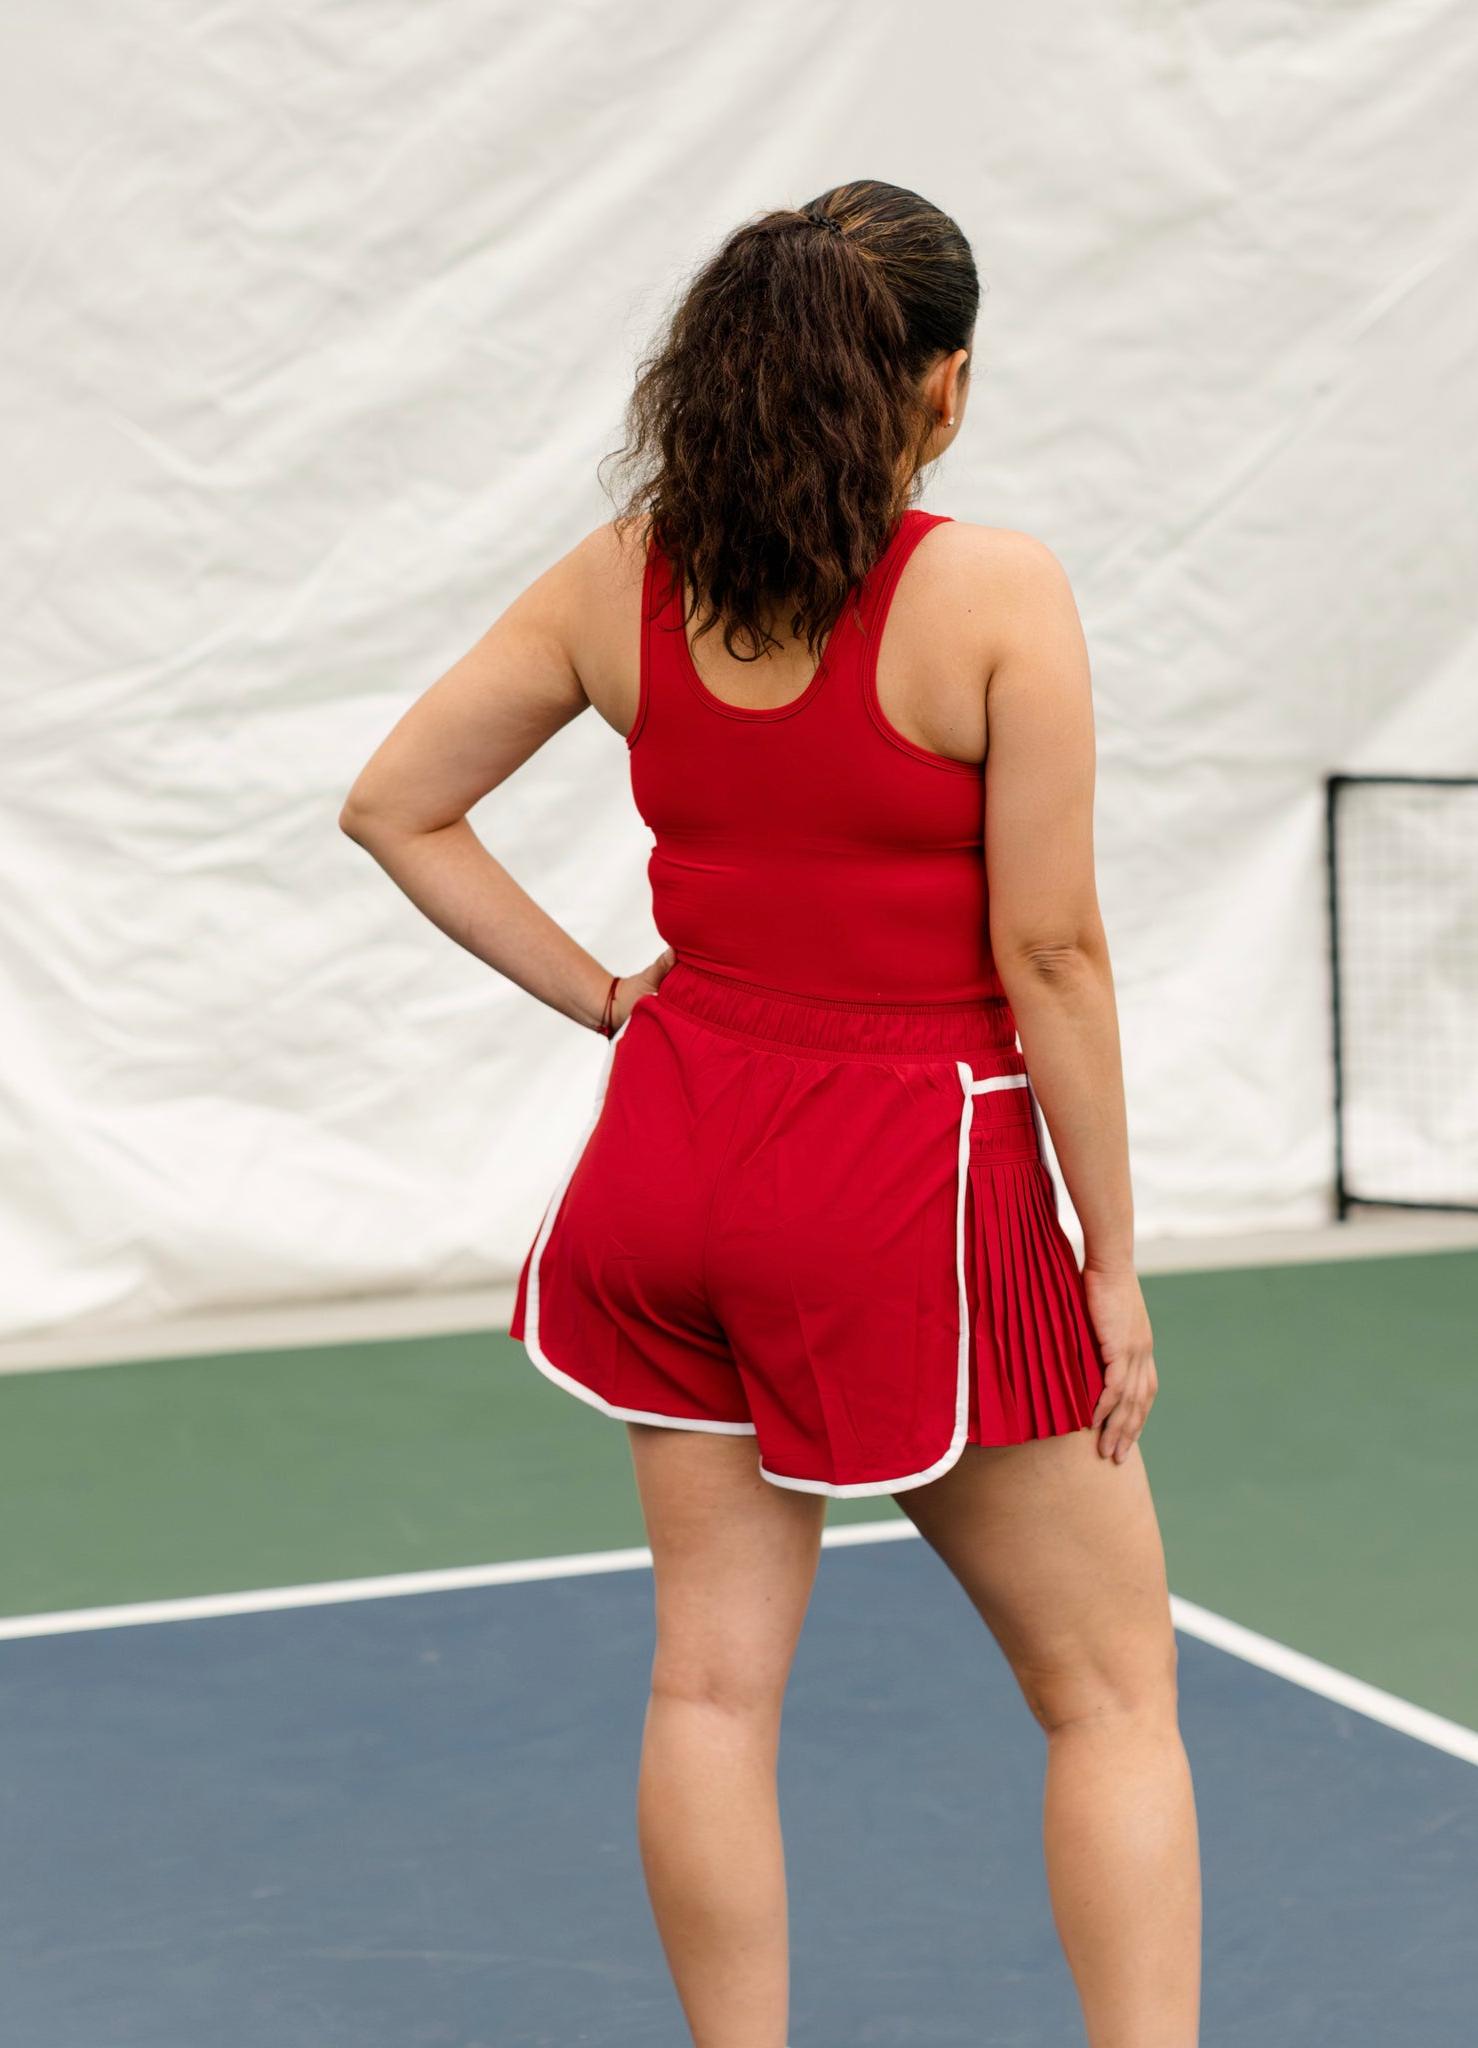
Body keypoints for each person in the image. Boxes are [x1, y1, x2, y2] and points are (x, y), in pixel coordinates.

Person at [341, 178, 1201, 2048]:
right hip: (904, 1182)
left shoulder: (619, 577)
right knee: (1112, 1694)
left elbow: (395, 804)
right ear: (943, 388)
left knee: (709, 1694)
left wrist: (605, 999)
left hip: (669, 1163)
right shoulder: (992, 594)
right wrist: (1114, 1263)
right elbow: (1050, 954)